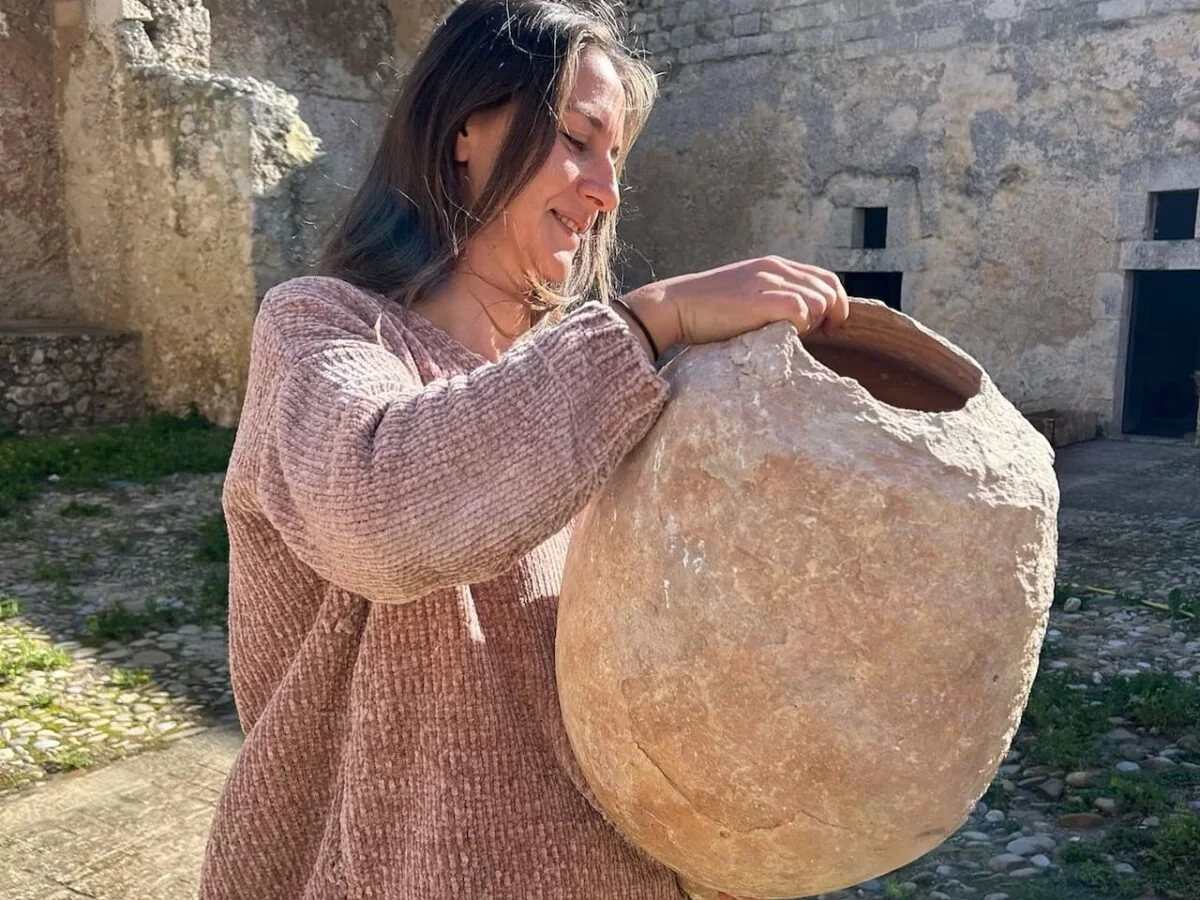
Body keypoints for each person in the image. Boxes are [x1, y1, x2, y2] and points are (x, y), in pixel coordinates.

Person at [198, 0, 849, 897]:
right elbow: (382, 512)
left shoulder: (594, 390)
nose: (605, 189)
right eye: (579, 139)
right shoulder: (321, 329)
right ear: (468, 124)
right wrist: (648, 322)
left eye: (614, 156)